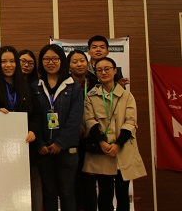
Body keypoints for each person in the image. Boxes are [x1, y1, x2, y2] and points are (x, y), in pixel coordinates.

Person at [83, 57, 146, 211]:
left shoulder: (127, 96)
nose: (103, 72)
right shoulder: (90, 96)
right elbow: (89, 121)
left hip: (122, 149)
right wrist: (102, 142)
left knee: (123, 193)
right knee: (104, 193)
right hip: (102, 149)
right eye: (99, 70)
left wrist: (118, 144)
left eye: (107, 69)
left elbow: (131, 122)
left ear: (115, 71)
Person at [32, 44, 83, 211]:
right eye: (46, 59)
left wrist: (60, 143)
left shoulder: (73, 87)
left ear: (62, 61)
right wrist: (40, 143)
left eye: (55, 58)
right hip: (43, 150)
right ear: (41, 62)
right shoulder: (35, 86)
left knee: (67, 193)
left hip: (67, 150)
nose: (50, 62)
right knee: (49, 193)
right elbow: (34, 117)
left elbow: (75, 119)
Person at [0, 46, 41, 211]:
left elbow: (36, 115)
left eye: (12, 61)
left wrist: (33, 130)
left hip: (25, 146)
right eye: (3, 61)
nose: (8, 65)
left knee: (30, 190)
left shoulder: (27, 87)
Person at [67, 49, 98, 211]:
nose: (79, 64)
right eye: (74, 61)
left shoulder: (95, 82)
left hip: (93, 138)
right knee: (74, 181)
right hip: (72, 138)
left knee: (90, 181)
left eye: (82, 61)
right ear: (68, 66)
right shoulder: (65, 84)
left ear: (87, 63)